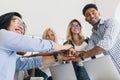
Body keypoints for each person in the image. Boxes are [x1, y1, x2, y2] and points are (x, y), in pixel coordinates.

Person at [0, 12, 72, 80]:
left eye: (23, 25)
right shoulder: (2, 35)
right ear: (5, 21)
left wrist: (59, 57)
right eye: (16, 21)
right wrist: (66, 47)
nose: (21, 27)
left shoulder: (11, 55)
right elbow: (35, 44)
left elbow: (26, 63)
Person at [72, 3, 120, 74]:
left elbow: (105, 45)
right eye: (88, 15)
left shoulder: (111, 22)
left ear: (99, 13)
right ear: (86, 19)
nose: (91, 16)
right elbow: (87, 50)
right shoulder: (93, 36)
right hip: (116, 70)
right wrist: (73, 54)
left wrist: (82, 56)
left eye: (93, 12)